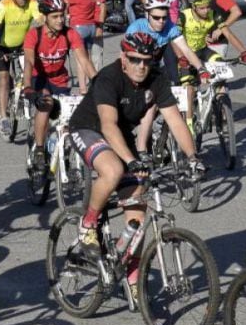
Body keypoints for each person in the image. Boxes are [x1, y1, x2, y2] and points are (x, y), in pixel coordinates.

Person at [66, 32, 202, 297]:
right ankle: (88, 223)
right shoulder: (109, 77)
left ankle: (130, 273)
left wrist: (193, 158)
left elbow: (175, 121)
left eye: (146, 61)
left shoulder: (157, 79)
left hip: (121, 135)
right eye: (135, 60)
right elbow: (108, 124)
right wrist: (130, 160)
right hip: (89, 128)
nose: (141, 66)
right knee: (114, 170)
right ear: (123, 58)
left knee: (138, 210)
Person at [23, 0, 96, 179]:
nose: (60, 20)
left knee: (67, 119)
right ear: (45, 17)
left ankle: (63, 153)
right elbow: (29, 64)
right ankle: (39, 150)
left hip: (59, 79)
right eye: (55, 16)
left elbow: (84, 61)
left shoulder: (70, 34)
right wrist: (27, 88)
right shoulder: (34, 35)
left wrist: (98, 82)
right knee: (46, 104)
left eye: (62, 15)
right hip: (39, 78)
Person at [0, 0, 42, 138]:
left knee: (31, 74)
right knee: (4, 80)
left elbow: (40, 19)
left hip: (22, 46)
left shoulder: (32, 2)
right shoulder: (3, 5)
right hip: (3, 47)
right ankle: (4, 117)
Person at [125, 0, 210, 89]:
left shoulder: (170, 27)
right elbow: (125, 58)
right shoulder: (135, 28)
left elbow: (186, 49)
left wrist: (201, 69)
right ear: (147, 15)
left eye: (164, 17)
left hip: (154, 67)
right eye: (156, 17)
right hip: (136, 68)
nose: (161, 21)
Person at [66, 0, 105, 72]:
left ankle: (83, 86)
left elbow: (59, 0)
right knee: (88, 58)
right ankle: (93, 80)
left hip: (79, 27)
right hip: (91, 26)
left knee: (80, 60)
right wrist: (98, 25)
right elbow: (98, 9)